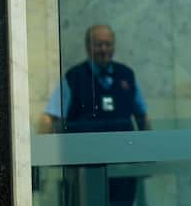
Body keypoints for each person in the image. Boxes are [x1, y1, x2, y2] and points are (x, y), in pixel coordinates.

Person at [40, 24, 150, 206]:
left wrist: (148, 156)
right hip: (85, 171)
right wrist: (44, 163)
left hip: (123, 168)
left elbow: (143, 117)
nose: (104, 49)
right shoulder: (74, 77)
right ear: (87, 47)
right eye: (98, 44)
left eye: (108, 44)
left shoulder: (127, 75)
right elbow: (50, 117)